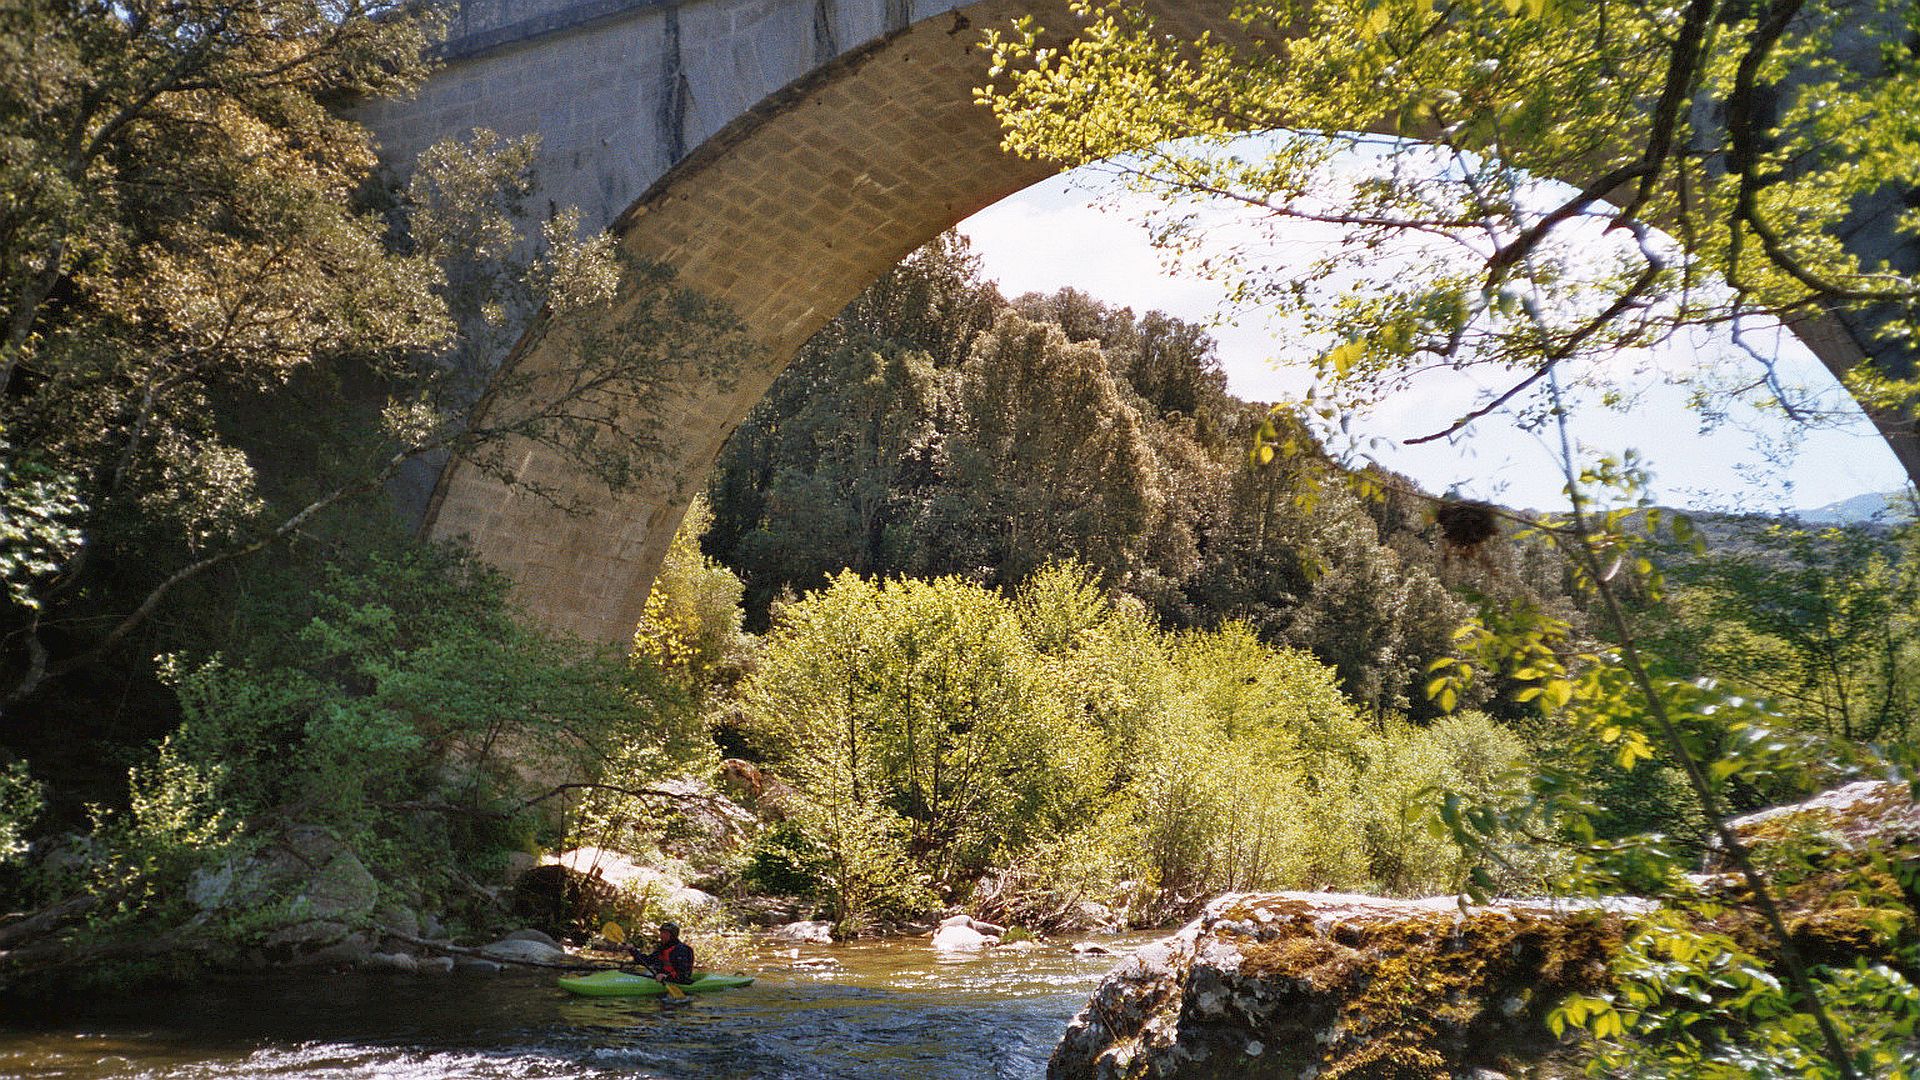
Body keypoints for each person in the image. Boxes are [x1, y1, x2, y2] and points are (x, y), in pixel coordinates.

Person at [630, 921, 694, 983]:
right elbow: (646, 961)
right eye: (661, 933)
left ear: (673, 935)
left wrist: (667, 977)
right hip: (660, 978)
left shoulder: (682, 950)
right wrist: (632, 950)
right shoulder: (662, 949)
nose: (662, 936)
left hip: (674, 981)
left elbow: (684, 973)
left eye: (665, 933)